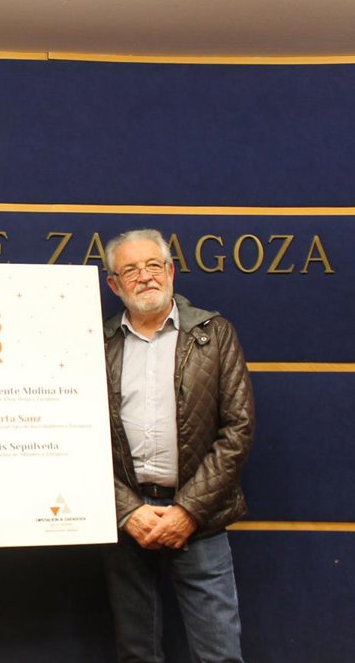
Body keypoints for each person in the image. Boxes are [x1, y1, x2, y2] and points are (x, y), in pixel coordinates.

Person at [100, 228, 254, 663]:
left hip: (200, 520)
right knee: (137, 654)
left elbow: (238, 429)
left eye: (153, 265)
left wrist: (187, 511)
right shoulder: (97, 342)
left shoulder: (215, 333)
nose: (145, 277)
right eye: (131, 270)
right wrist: (127, 511)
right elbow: (82, 435)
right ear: (114, 284)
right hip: (127, 524)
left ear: (170, 272)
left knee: (219, 655)